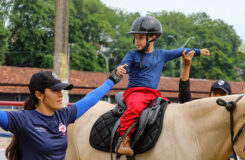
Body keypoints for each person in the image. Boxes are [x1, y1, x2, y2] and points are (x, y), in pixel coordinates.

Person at [115, 15, 210, 156]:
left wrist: (198, 51)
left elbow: (179, 51)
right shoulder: (132, 55)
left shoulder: (162, 55)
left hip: (153, 94)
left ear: (152, 37)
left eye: (140, 38)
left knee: (169, 111)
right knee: (135, 108)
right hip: (135, 93)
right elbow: (123, 65)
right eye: (135, 38)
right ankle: (124, 139)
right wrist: (119, 69)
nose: (136, 41)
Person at [0, 70, 122, 160]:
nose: (61, 95)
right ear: (39, 95)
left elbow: (90, 100)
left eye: (60, 91)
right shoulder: (22, 119)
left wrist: (111, 80)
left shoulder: (63, 116)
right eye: (55, 91)